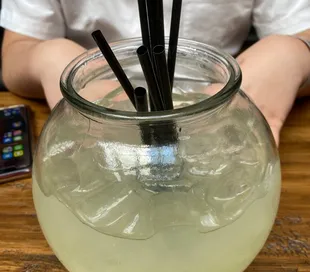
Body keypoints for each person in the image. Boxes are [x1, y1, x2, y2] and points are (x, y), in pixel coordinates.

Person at [1, 0, 310, 146]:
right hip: (96, 116)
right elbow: (18, 51)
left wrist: (291, 54)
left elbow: (301, 31)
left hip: (214, 111)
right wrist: (49, 57)